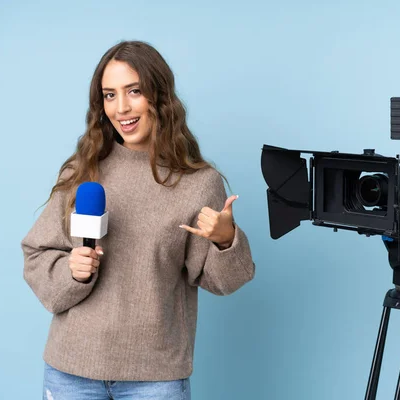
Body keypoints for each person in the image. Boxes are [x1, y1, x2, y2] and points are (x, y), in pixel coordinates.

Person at [21, 40, 256, 400]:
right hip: (71, 370)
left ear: (159, 96)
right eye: (110, 95)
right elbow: (36, 255)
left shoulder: (197, 183)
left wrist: (226, 240)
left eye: (134, 91)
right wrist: (72, 270)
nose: (122, 107)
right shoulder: (83, 169)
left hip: (155, 377)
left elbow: (223, 281)